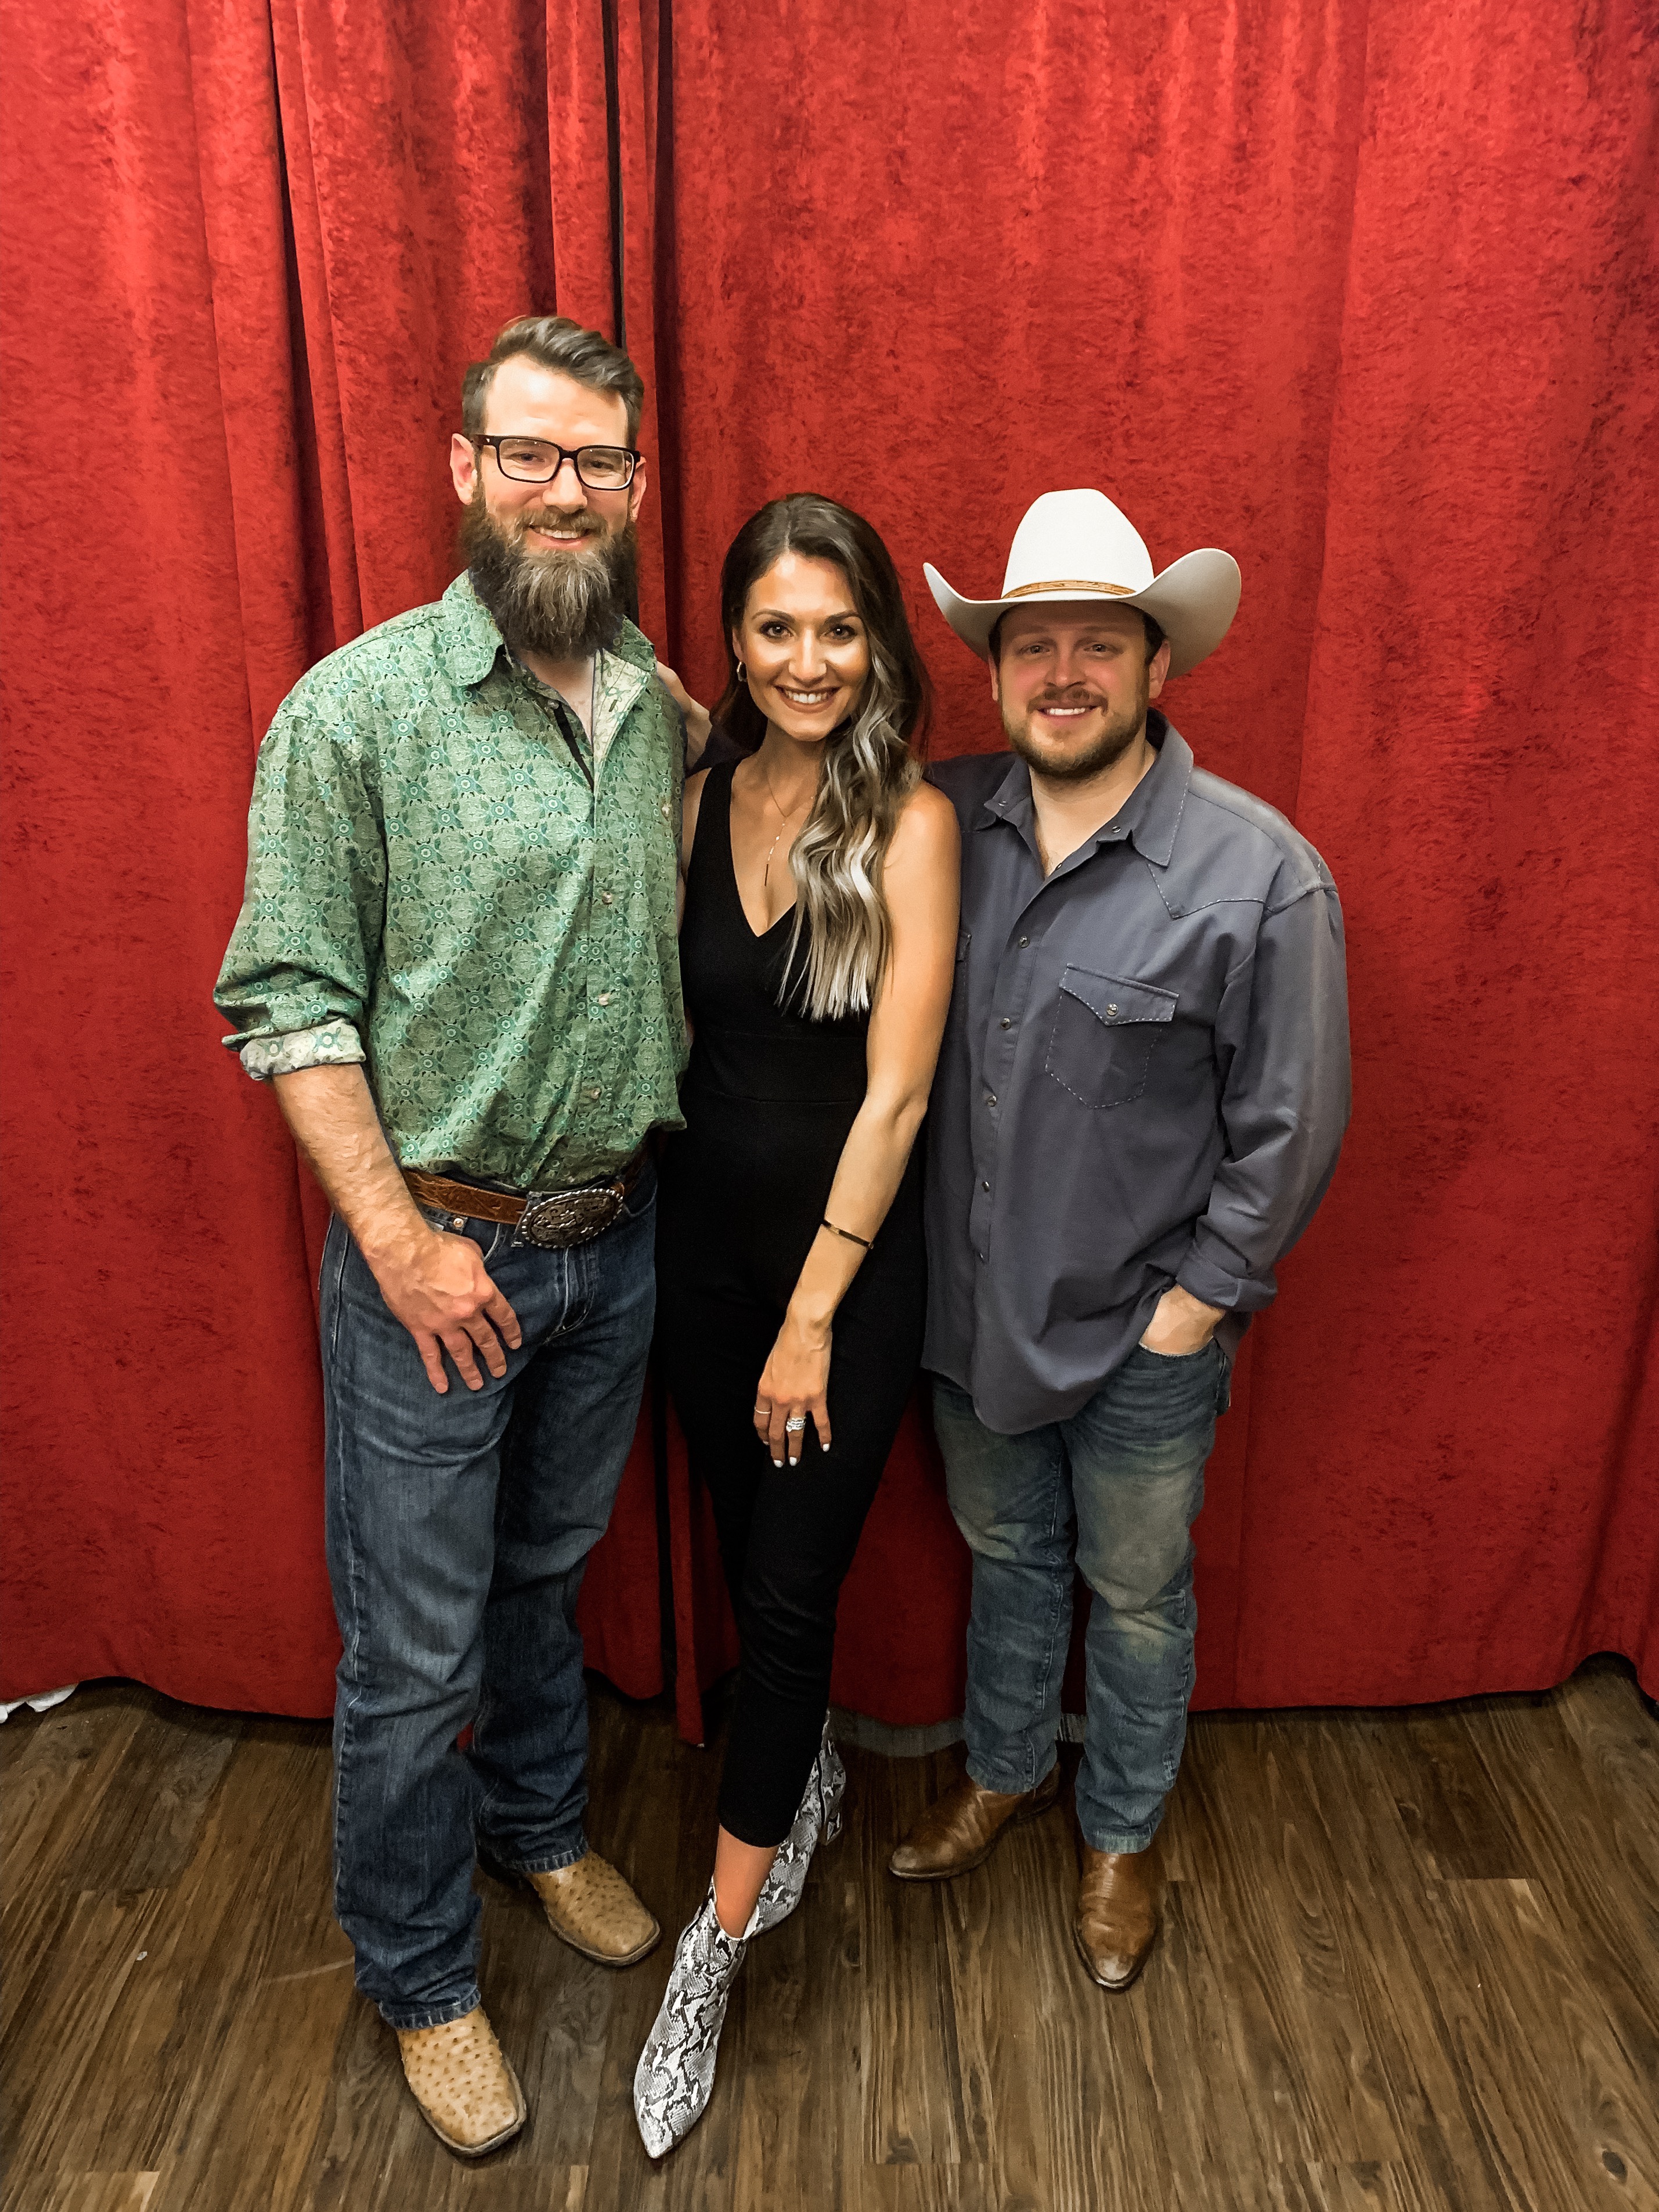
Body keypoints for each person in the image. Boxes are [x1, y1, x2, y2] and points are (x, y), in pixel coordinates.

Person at [214, 314, 708, 2159]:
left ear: (636, 486)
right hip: (438, 1259)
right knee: (414, 1654)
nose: (564, 492)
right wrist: (404, 1244)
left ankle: (541, 1831)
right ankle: (422, 1977)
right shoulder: (354, 712)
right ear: (464, 469)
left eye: (599, 462)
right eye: (530, 455)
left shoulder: (655, 703)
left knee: (545, 1579)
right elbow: (287, 999)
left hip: (615, 1245)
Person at [891, 490, 1350, 1994]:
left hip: (1147, 1335)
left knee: (1139, 1594)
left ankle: (1122, 1832)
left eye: (1100, 643)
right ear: (994, 669)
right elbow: (774, 811)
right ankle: (1006, 1770)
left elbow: (1291, 1122)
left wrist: (1197, 1303)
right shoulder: (936, 822)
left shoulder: (1259, 873)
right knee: (1006, 1555)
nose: (1064, 673)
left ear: (1159, 664)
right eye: (1034, 645)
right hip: (968, 1317)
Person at [633, 495, 960, 2157]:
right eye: (777, 628)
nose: (810, 659)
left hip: (841, 1285)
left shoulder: (910, 820)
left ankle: (712, 1949)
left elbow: (896, 1096)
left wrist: (813, 1317)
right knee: (748, 1550)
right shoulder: (695, 796)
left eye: (839, 628)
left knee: (784, 1595)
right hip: (695, 1269)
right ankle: (806, 1774)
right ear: (736, 642)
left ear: (879, 641)